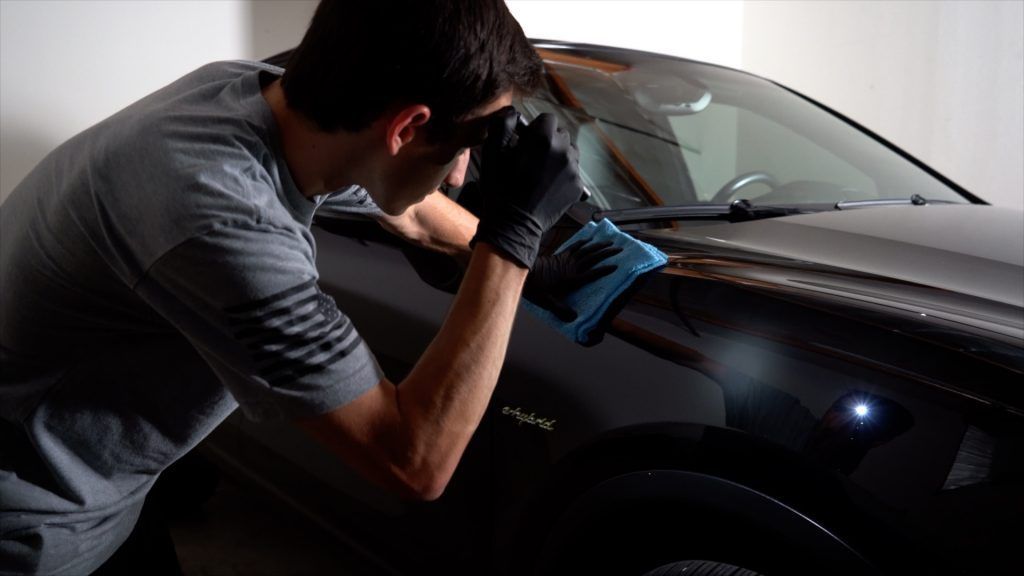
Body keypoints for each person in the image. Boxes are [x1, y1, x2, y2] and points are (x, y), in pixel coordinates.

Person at [0, 1, 617, 573]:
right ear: (406, 128)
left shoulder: (252, 96)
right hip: (35, 525)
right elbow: (413, 460)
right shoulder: (220, 216)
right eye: (467, 147)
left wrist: (535, 262)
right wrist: (511, 240)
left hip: (101, 495)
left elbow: (414, 212)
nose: (461, 173)